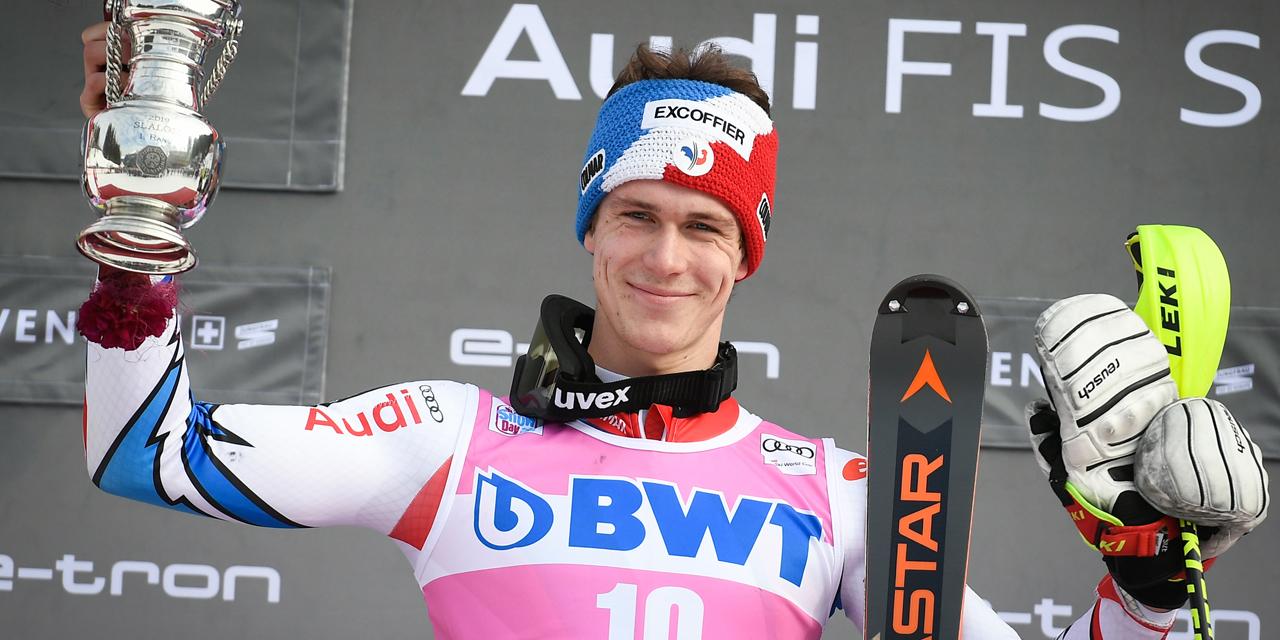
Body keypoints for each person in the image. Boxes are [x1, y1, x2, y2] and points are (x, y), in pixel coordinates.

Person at [78, 22, 1266, 639]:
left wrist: (1148, 585)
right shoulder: (448, 439)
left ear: (745, 252)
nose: (664, 257)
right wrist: (137, 226)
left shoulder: (842, 493)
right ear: (589, 229)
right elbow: (144, 451)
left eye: (705, 226)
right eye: (635, 215)